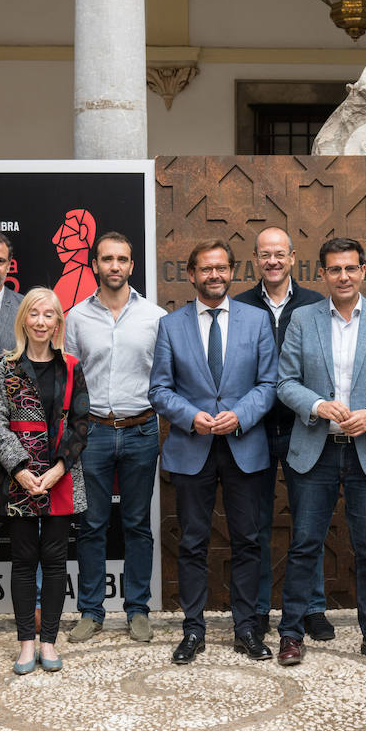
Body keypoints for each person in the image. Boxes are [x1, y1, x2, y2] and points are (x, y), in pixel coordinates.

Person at [274, 237, 366, 668]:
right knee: (304, 545)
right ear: (323, 274)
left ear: (364, 271)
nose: (344, 276)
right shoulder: (301, 319)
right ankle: (291, 634)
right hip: (315, 451)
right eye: (335, 269)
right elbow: (285, 382)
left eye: (351, 268)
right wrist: (316, 405)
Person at [151, 239, 277, 664]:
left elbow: (269, 385)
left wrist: (240, 415)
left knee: (248, 540)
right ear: (191, 275)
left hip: (245, 447)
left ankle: (246, 627)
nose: (215, 275)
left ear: (231, 272)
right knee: (191, 542)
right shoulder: (171, 325)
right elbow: (159, 390)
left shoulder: (257, 322)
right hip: (192, 446)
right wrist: (190, 417)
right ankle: (193, 629)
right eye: (206, 269)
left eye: (222, 268)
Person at [64, 232, 166, 644]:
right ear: (95, 265)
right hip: (94, 434)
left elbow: (164, 377)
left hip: (142, 429)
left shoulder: (155, 316)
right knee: (92, 524)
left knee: (138, 523)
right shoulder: (75, 317)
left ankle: (137, 609)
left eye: (122, 259)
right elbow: (70, 376)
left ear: (131, 266)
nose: (115, 266)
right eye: (107, 259)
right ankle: (91, 611)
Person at [233, 226, 329, 642]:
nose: (272, 261)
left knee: (309, 523)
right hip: (252, 430)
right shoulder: (238, 306)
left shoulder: (315, 304)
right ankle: (256, 611)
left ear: (293, 258)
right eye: (264, 255)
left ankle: (312, 607)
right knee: (254, 526)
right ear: (256, 260)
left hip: (303, 428)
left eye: (280, 254)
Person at [0, 288, 91, 674]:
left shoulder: (72, 366)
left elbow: (82, 423)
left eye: (49, 315)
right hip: (19, 480)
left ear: (58, 322)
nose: (41, 322)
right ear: (23, 320)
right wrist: (19, 470)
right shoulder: (4, 366)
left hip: (61, 477)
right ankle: (26, 645)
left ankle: (49, 641)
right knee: (22, 562)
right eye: (34, 314)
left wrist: (58, 469)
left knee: (55, 561)